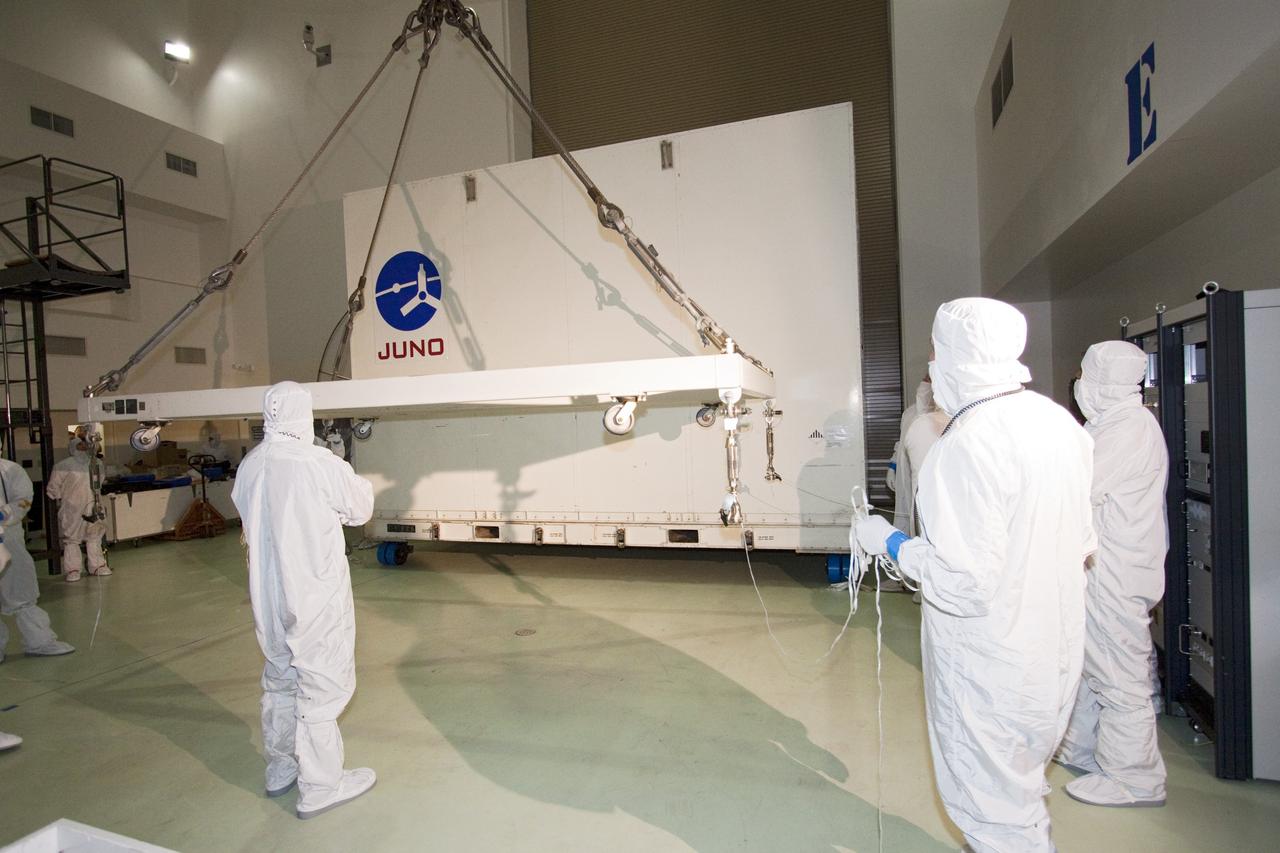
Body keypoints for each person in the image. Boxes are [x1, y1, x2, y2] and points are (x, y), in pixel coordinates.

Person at [855, 297, 1095, 852]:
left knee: (993, 813)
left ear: (955, 358)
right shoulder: (1058, 423)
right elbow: (1081, 542)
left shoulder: (965, 445)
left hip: (992, 664)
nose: (932, 366)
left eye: (937, 352)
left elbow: (962, 584)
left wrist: (890, 542)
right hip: (1052, 651)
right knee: (1020, 793)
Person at [232, 381, 376, 819]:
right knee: (322, 683)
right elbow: (360, 509)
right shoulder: (317, 462)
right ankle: (321, 785)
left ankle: (281, 766)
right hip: (313, 590)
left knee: (279, 675)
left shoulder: (251, 465)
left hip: (267, 593)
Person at [1056, 341, 1168, 807]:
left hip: (1117, 572)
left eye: (1085, 377)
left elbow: (1078, 490)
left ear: (1102, 383)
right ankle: (1085, 749)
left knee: (1119, 671)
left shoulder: (1128, 429)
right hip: (1104, 567)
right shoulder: (1110, 425)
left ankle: (1135, 778)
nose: (1079, 386)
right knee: (1093, 663)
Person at [0, 451, 75, 660]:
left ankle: (39, 642)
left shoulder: (10, 470)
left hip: (8, 541)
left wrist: (5, 514)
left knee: (21, 593)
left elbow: (24, 500)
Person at [46, 436, 110, 582]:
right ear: (73, 447)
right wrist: (64, 500)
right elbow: (53, 488)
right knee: (72, 539)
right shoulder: (63, 465)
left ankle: (98, 566)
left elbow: (99, 482)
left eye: (85, 444)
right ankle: (73, 570)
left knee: (95, 536)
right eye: (80, 444)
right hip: (72, 508)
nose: (83, 447)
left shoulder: (97, 463)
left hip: (94, 505)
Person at [890, 377, 948, 537]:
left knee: (920, 517)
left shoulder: (941, 418)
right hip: (905, 471)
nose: (922, 388)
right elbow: (901, 441)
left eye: (927, 382)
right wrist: (893, 465)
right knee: (904, 512)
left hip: (923, 477)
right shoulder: (909, 413)